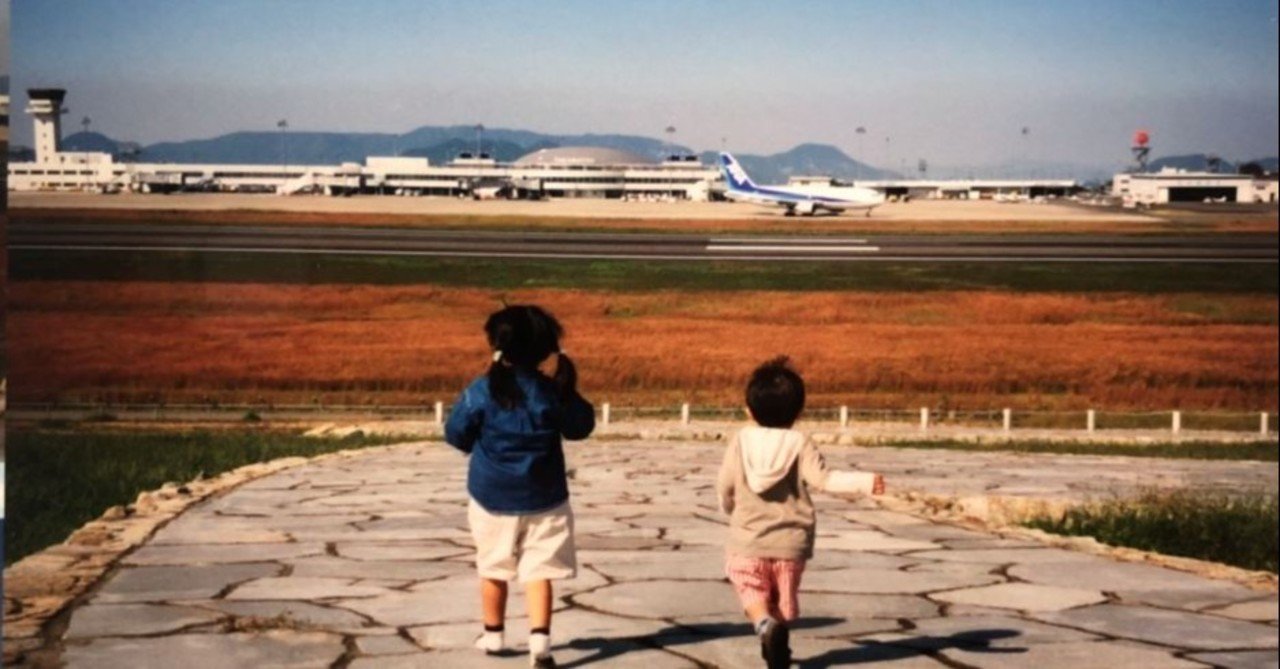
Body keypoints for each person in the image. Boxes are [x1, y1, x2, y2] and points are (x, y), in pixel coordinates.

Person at [445, 304, 595, 669]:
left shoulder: (481, 390)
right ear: (546, 349)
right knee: (540, 571)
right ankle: (539, 643)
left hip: (490, 497)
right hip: (546, 498)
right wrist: (566, 385)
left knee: (493, 568)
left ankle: (493, 635)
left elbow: (456, 433)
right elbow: (581, 426)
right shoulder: (551, 392)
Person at [716, 356, 886, 669]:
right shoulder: (800, 442)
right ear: (798, 412)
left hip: (748, 540)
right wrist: (864, 482)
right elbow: (825, 480)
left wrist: (729, 508)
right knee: (781, 599)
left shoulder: (740, 440)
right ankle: (776, 640)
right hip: (791, 544)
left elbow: (725, 485)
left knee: (751, 591)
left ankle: (764, 627)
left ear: (749, 409)